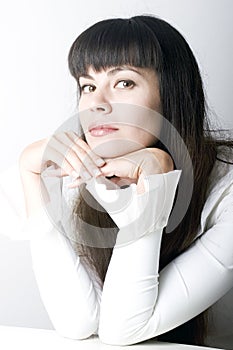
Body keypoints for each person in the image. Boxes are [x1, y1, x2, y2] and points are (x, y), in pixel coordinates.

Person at [18, 15, 233, 348]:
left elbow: (124, 329)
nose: (97, 104)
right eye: (88, 86)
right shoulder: (93, 178)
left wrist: (156, 185)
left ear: (172, 93)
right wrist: (32, 175)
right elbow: (77, 322)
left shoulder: (228, 188)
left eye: (124, 83)